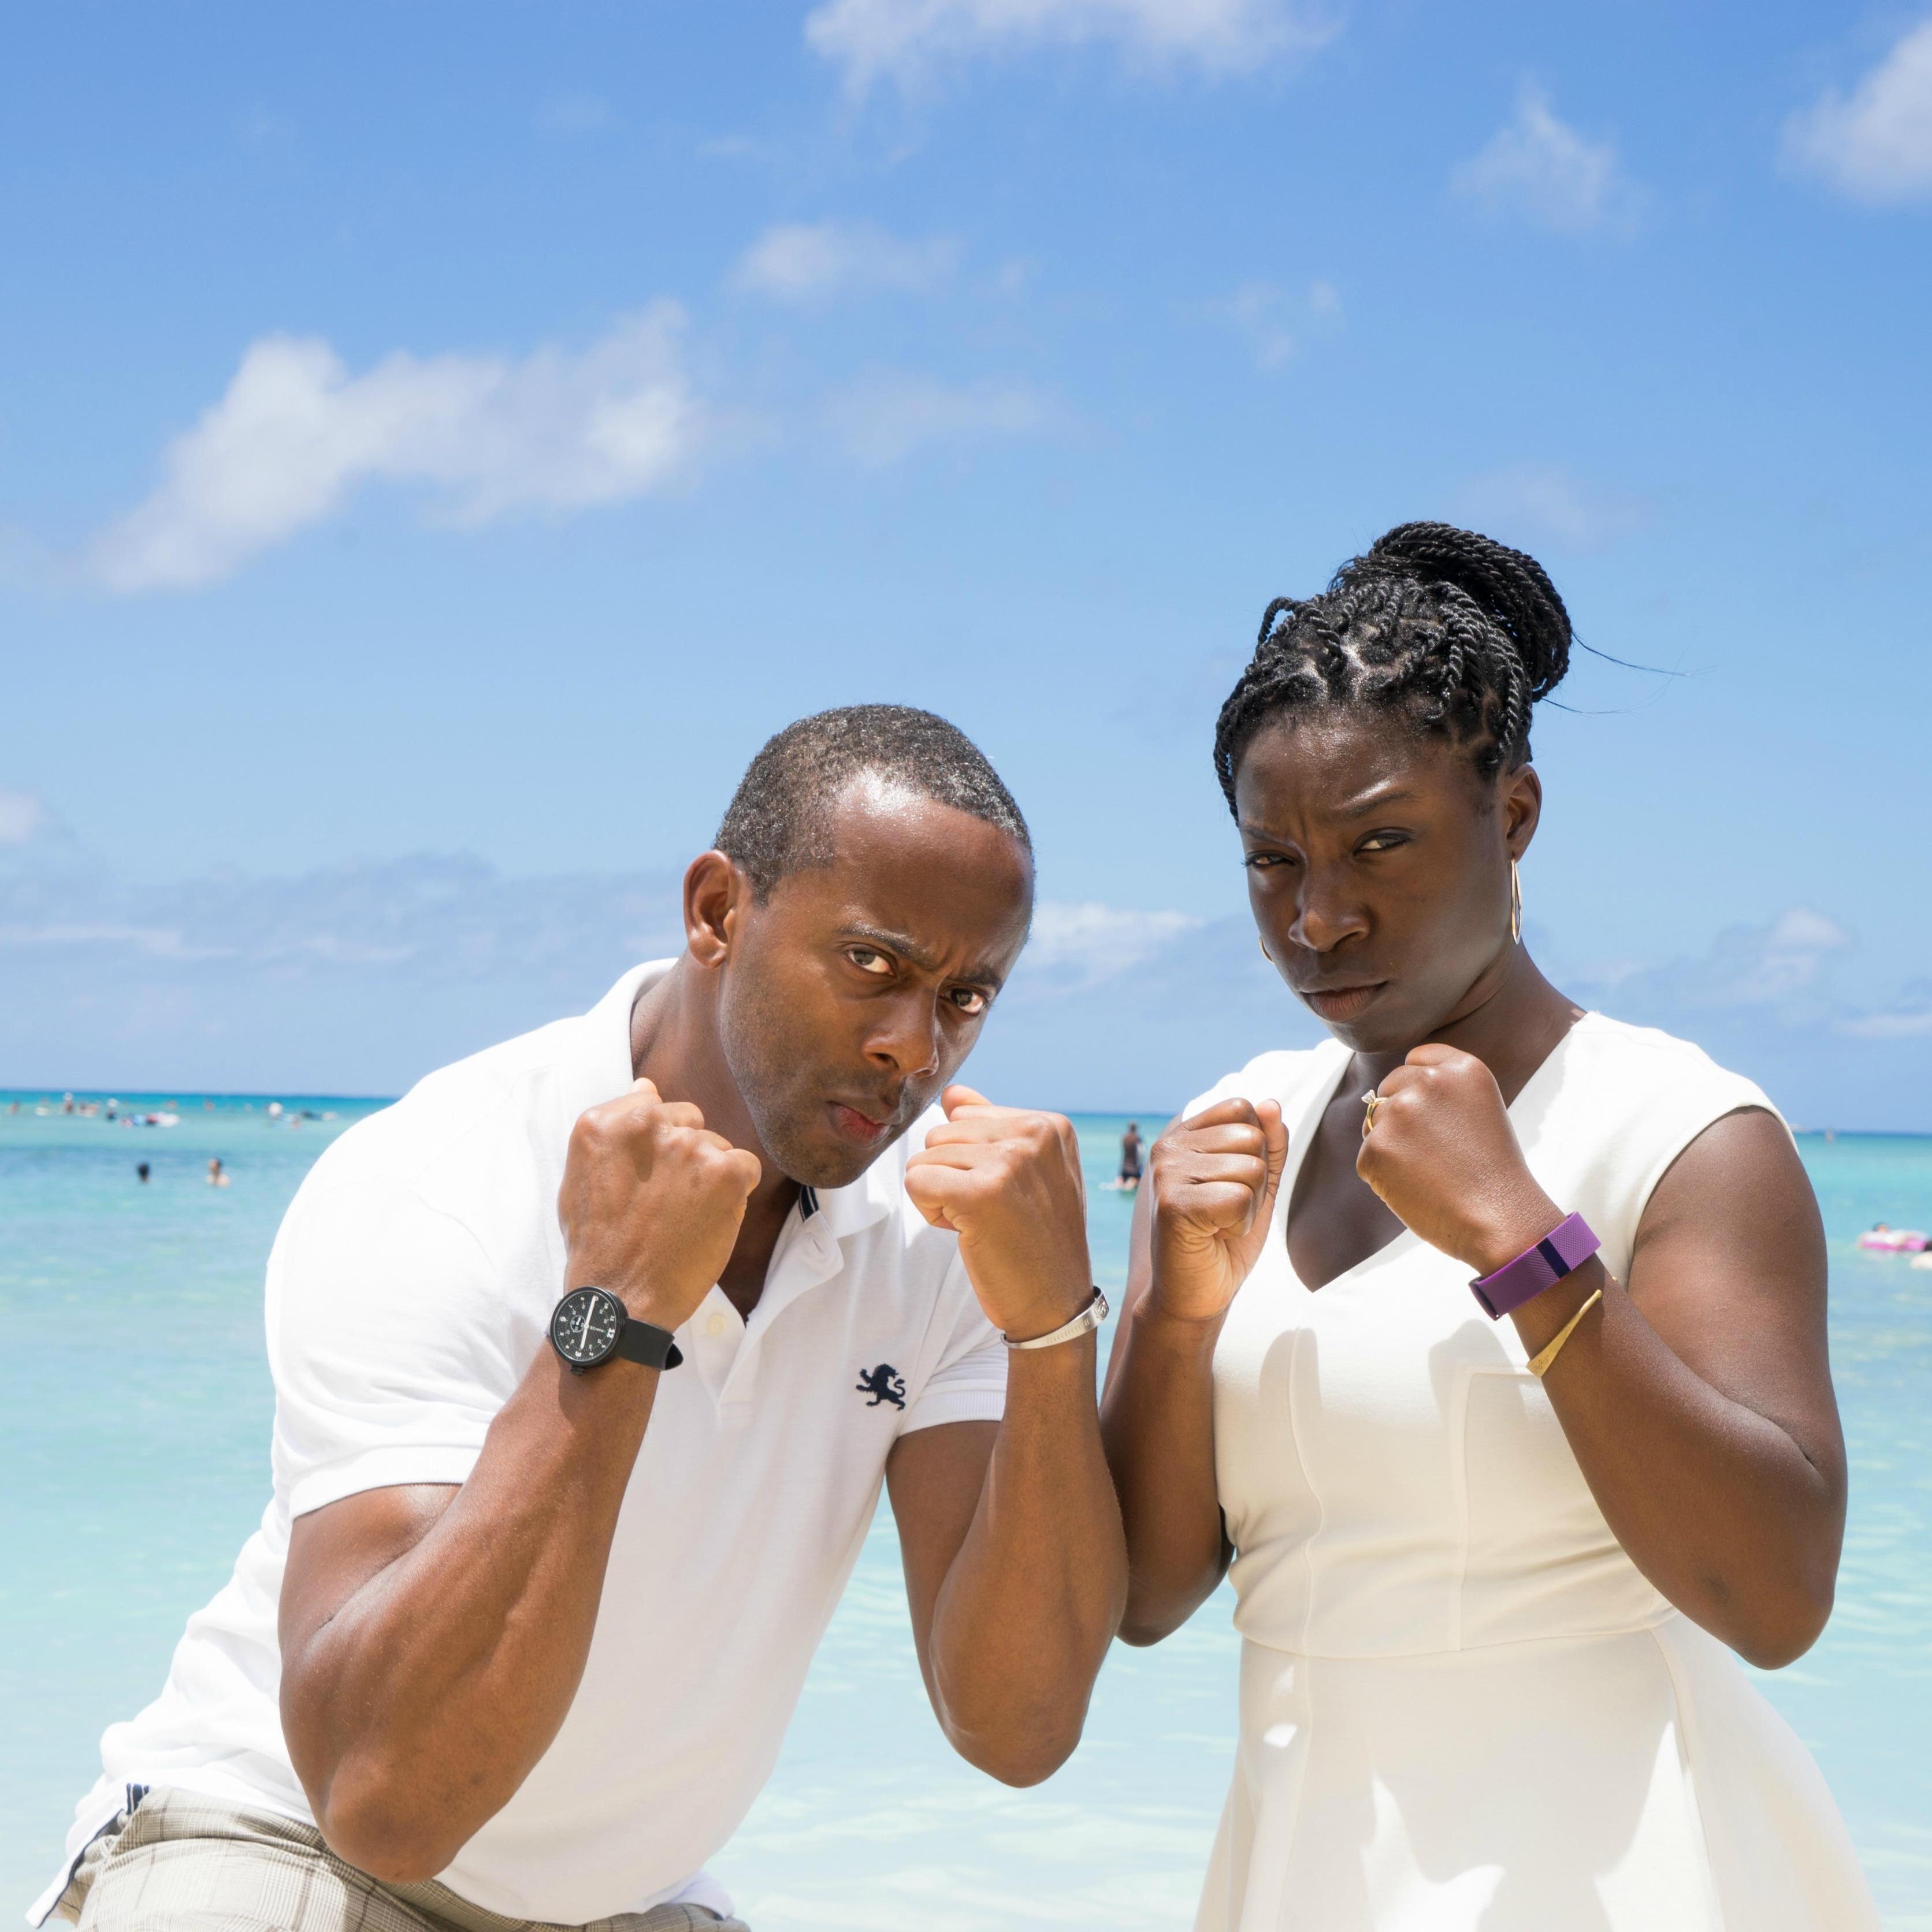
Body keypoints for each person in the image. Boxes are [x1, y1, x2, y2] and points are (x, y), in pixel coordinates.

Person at [37, 706, 1127, 1932]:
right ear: (717, 911)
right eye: (872, 962)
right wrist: (617, 1313)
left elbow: (1017, 1727)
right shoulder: (441, 1173)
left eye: (965, 995)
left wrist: (1051, 1326)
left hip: (628, 1901)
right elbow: (383, 1796)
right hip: (283, 1832)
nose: (912, 1048)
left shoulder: (942, 1229)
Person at [1100, 525, 1878, 1930]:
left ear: (1512, 814)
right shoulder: (1239, 1129)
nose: (1317, 917)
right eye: (1271, 859)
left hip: (1620, 1876)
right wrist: (1169, 1314)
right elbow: (1147, 1596)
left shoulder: (1682, 1131)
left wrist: (1524, 1243)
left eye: (1378, 842)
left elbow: (1773, 1598)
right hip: (1304, 1871)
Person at [1117, 1121, 1144, 1191]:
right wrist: (1141, 1165)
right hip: (1134, 1168)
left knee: (1121, 1183)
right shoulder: (1137, 1139)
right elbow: (1140, 1153)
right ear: (1136, 1128)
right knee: (1139, 1183)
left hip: (1125, 1167)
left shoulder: (1124, 1138)